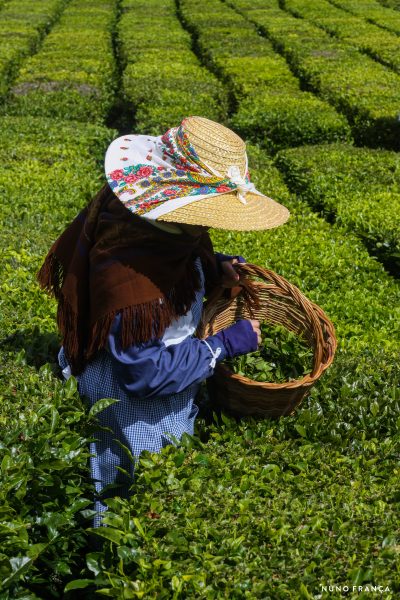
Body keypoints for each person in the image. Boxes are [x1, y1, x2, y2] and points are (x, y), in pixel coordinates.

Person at [37, 116, 289, 525]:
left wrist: (215, 267)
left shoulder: (159, 221)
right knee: (134, 509)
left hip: (152, 359)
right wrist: (225, 343)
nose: (208, 225)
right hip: (133, 400)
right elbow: (145, 376)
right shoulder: (133, 276)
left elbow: (182, 256)